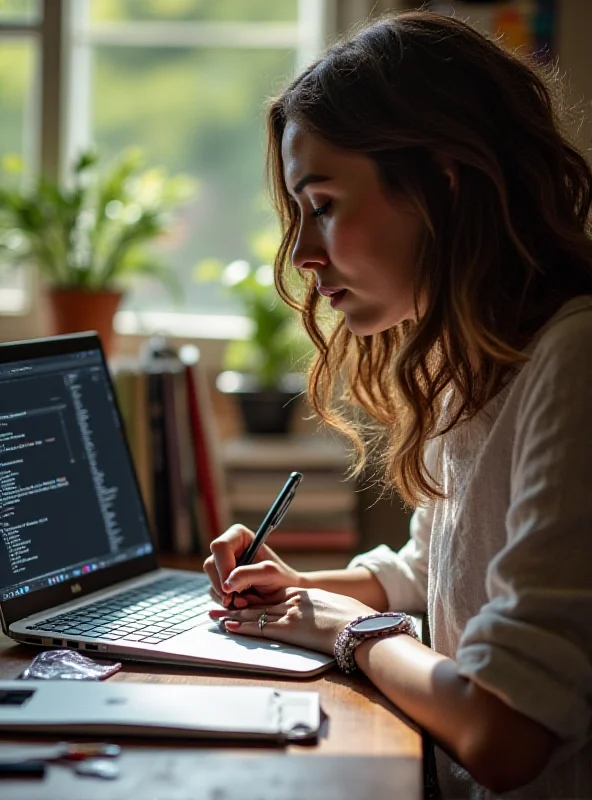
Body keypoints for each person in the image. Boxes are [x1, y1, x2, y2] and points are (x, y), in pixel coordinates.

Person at [205, 11, 592, 799]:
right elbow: (438, 570)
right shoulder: (473, 357)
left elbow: (504, 731)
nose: (305, 256)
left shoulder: (575, 362)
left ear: (442, 187)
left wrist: (347, 629)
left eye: (325, 204)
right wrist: (301, 589)